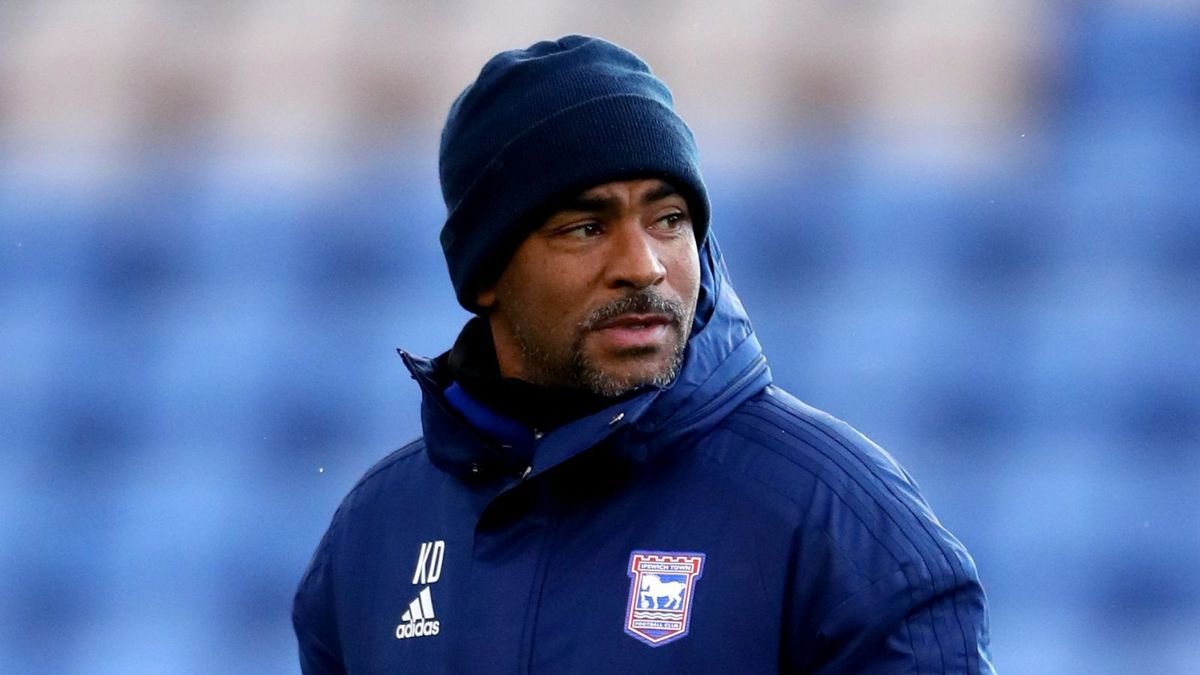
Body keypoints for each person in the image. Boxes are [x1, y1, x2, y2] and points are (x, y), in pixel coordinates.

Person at [293, 35, 994, 674]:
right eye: (586, 227)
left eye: (669, 219)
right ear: (484, 275)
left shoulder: (838, 517)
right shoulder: (375, 535)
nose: (643, 266)